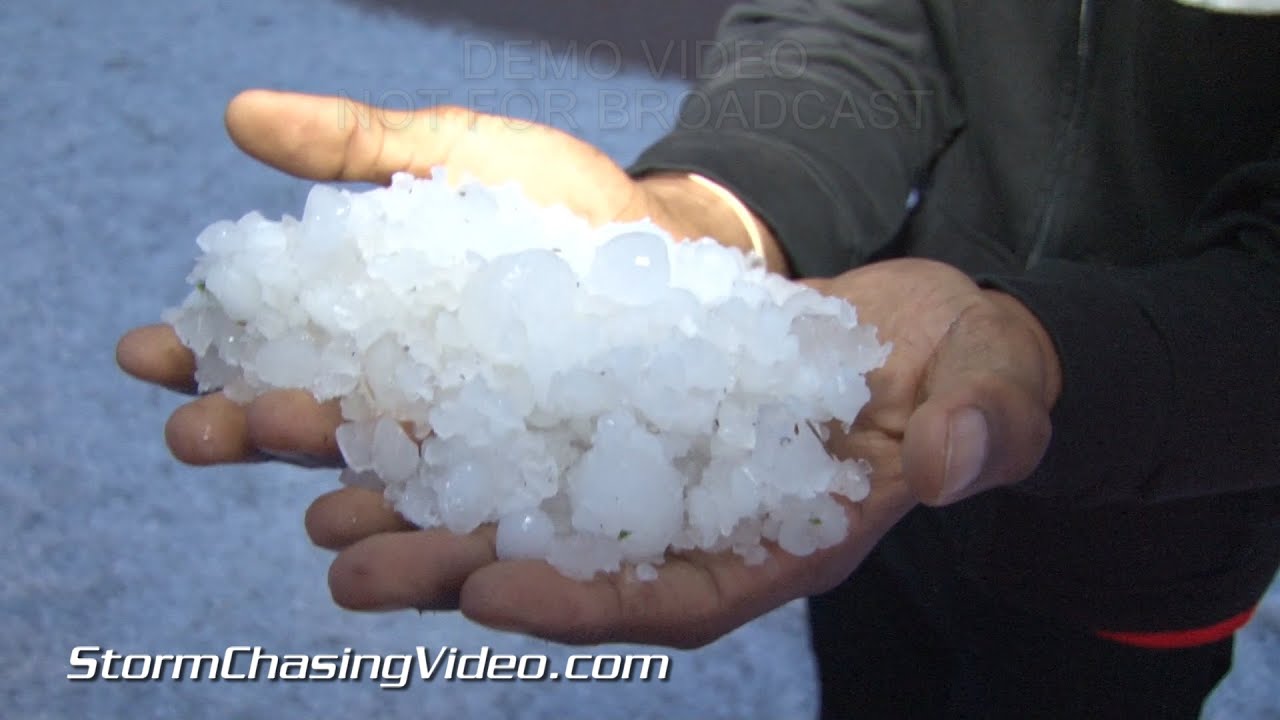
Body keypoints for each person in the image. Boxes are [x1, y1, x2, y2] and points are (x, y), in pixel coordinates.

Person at [117, 0, 1280, 717]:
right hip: (870, 433)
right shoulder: (833, 415)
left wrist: (1083, 357)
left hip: (1160, 528)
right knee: (876, 678)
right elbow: (865, 25)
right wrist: (721, 211)